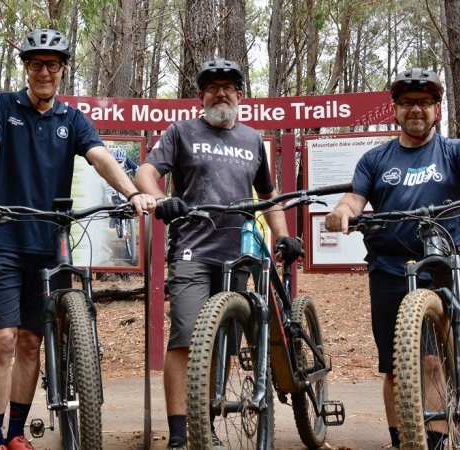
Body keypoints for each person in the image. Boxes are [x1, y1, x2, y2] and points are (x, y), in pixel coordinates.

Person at [0, 28, 155, 450]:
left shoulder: (72, 119)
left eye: (53, 65)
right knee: (4, 341)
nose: (45, 72)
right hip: (3, 240)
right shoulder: (3, 107)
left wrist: (133, 192)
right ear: (26, 67)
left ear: (62, 71)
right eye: (37, 64)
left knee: (30, 341)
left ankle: (16, 433)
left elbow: (99, 156)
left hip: (51, 244)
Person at [323, 68, 460, 449]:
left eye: (425, 102)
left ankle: (437, 442)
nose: (416, 110)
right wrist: (342, 211)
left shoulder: (455, 150)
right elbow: (355, 198)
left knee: (429, 361)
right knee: (395, 365)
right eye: (407, 102)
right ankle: (403, 440)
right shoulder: (375, 159)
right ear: (395, 109)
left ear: (437, 109)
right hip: (388, 268)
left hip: (441, 266)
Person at [133, 57, 304, 450]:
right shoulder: (181, 132)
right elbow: (146, 174)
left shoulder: (252, 140)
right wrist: (162, 201)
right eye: (212, 87)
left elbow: (268, 196)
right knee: (185, 339)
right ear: (201, 95)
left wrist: (282, 235)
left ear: (240, 94)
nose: (221, 92)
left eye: (228, 86)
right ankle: (180, 434)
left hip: (238, 254)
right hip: (192, 250)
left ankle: (205, 421)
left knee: (222, 341)